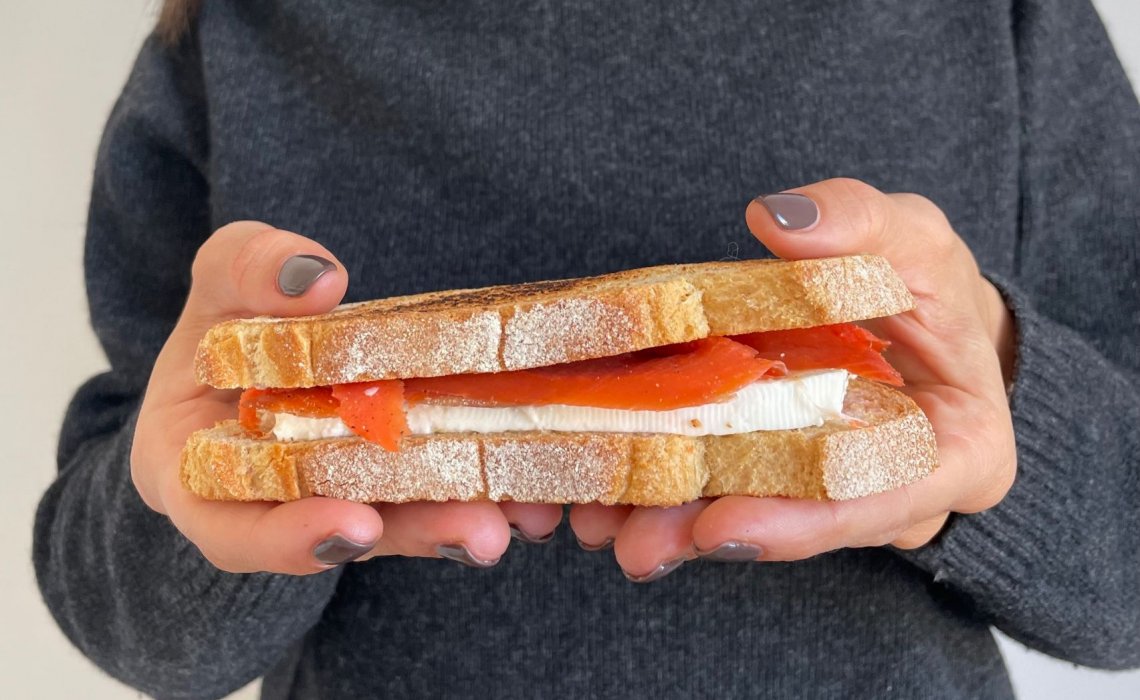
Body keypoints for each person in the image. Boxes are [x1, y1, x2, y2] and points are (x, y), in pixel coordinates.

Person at [33, 0, 1140, 698]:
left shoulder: (995, 19)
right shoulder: (238, 33)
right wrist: (192, 515)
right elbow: (124, 615)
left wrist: (998, 401)